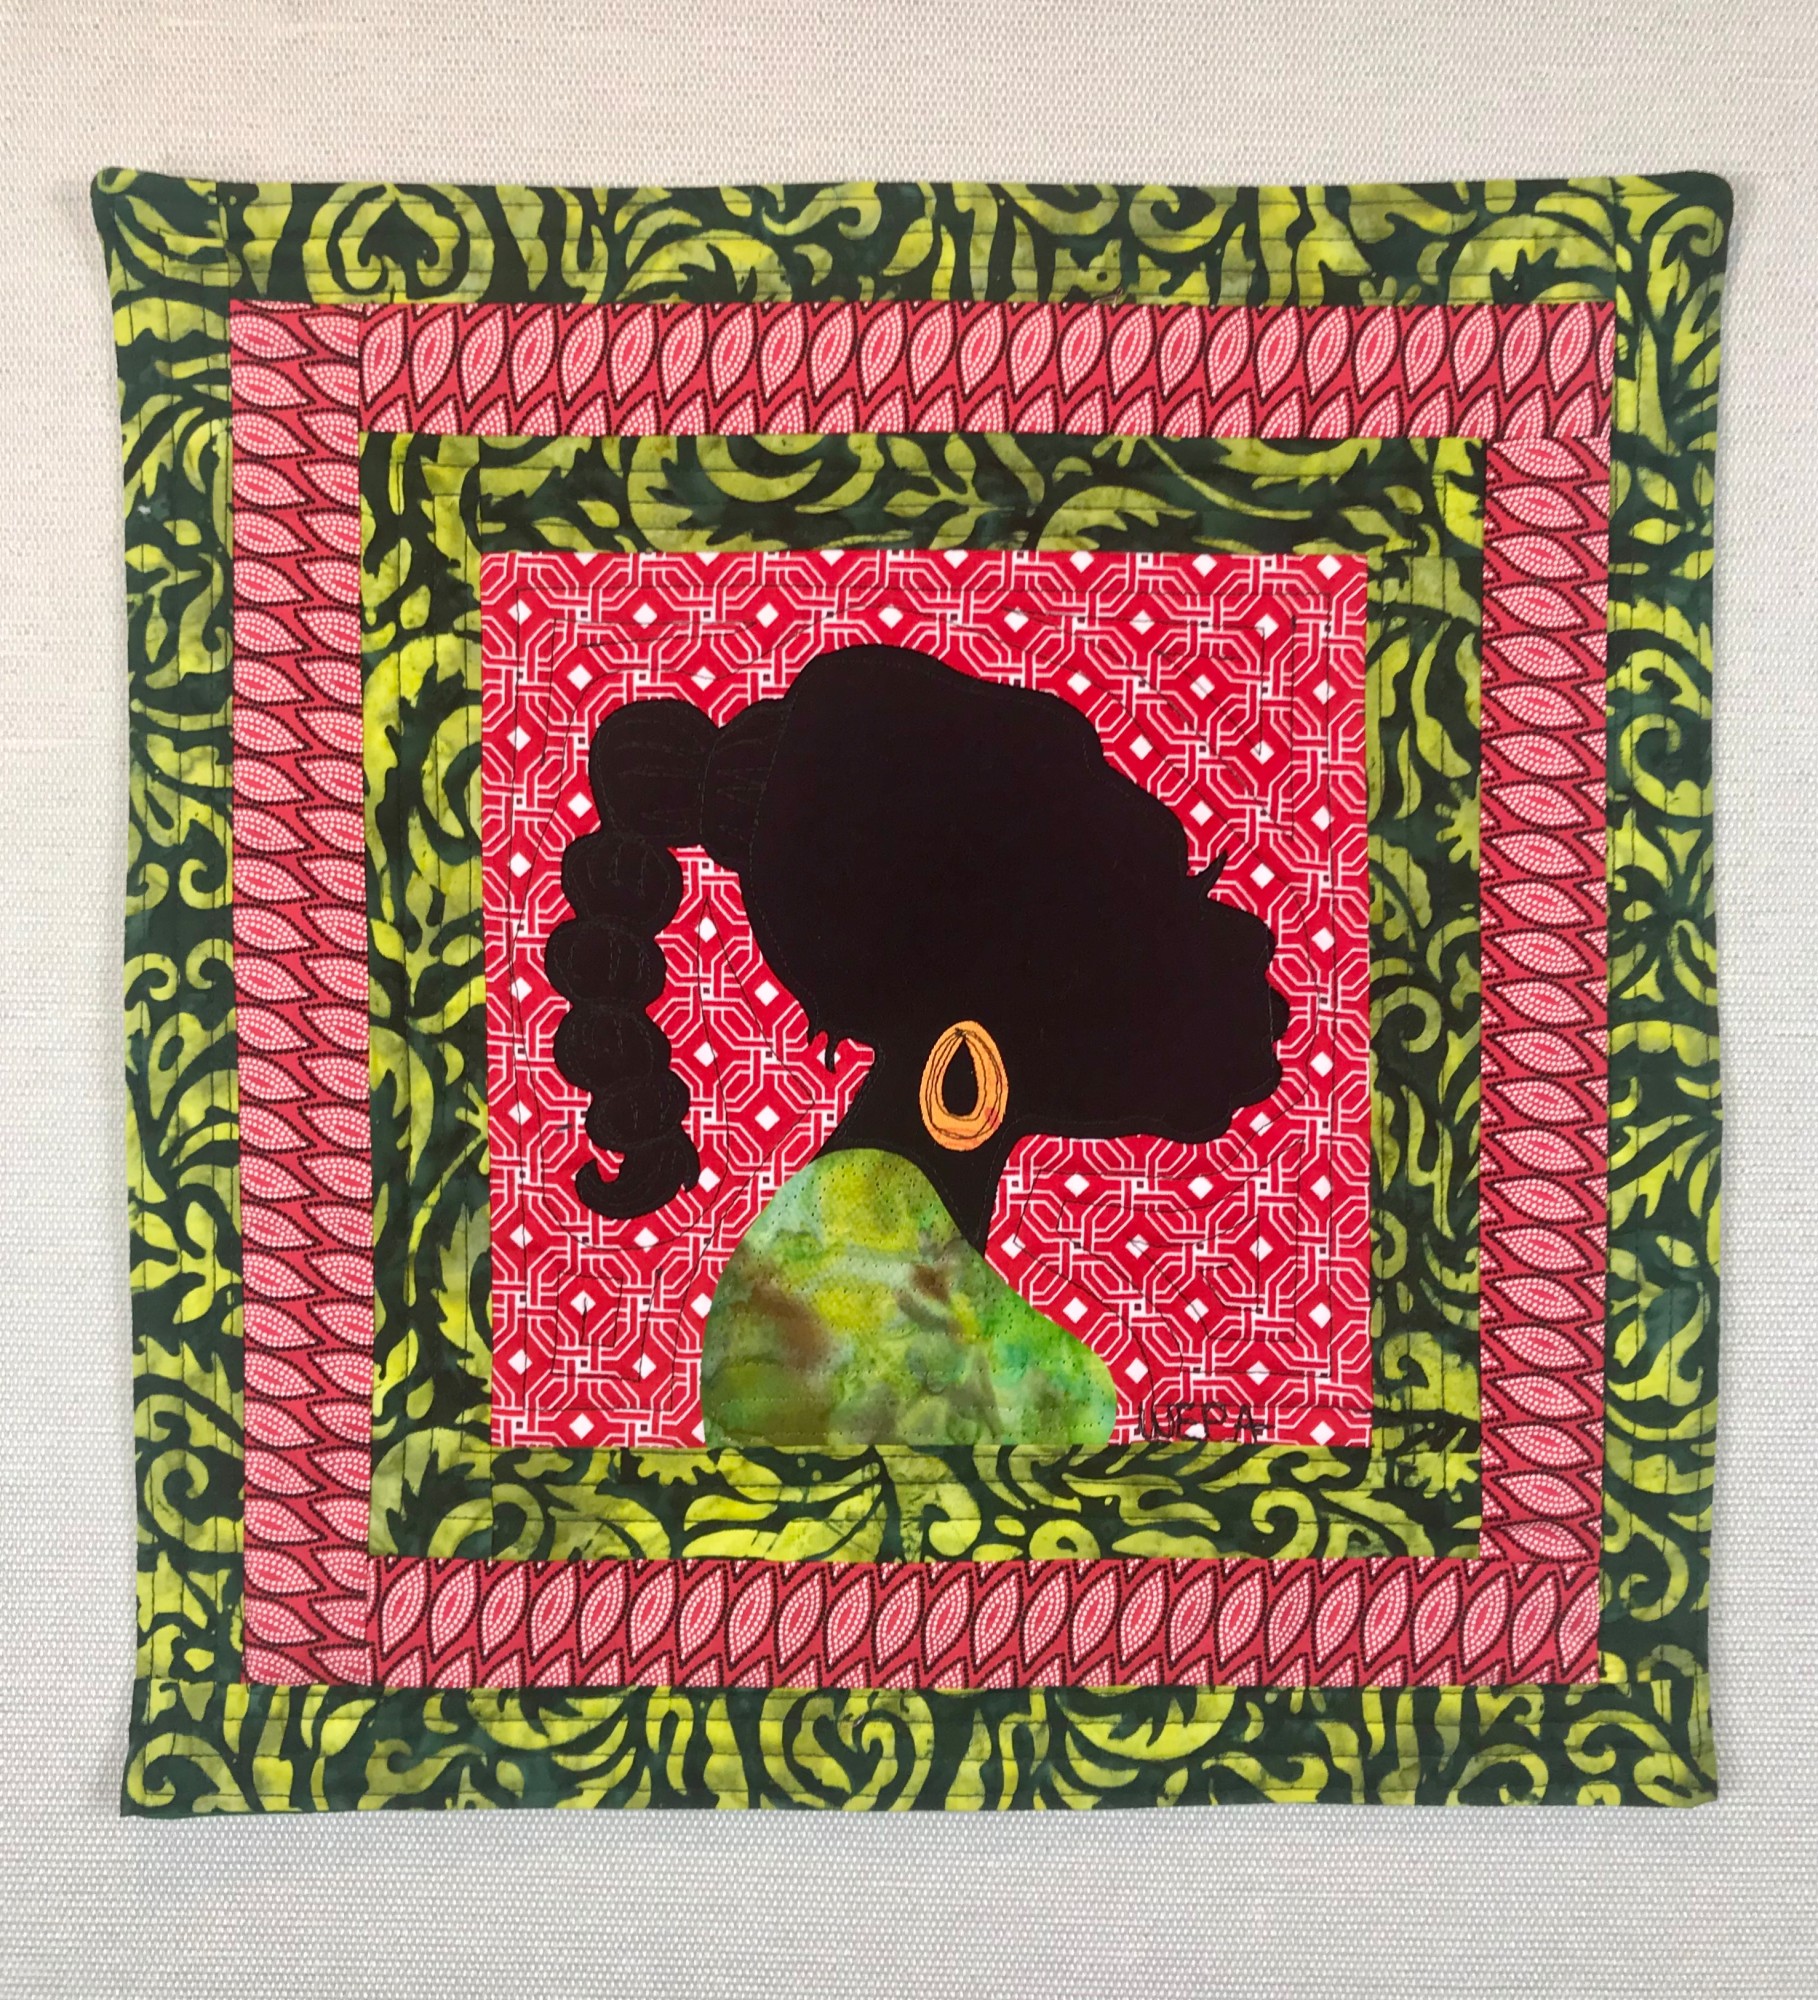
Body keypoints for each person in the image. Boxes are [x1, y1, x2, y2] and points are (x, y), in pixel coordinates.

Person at [546, 644, 1287, 1450]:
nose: (1239, 946)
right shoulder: (851, 1347)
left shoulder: (847, 1278)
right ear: (965, 1062)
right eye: (1131, 944)